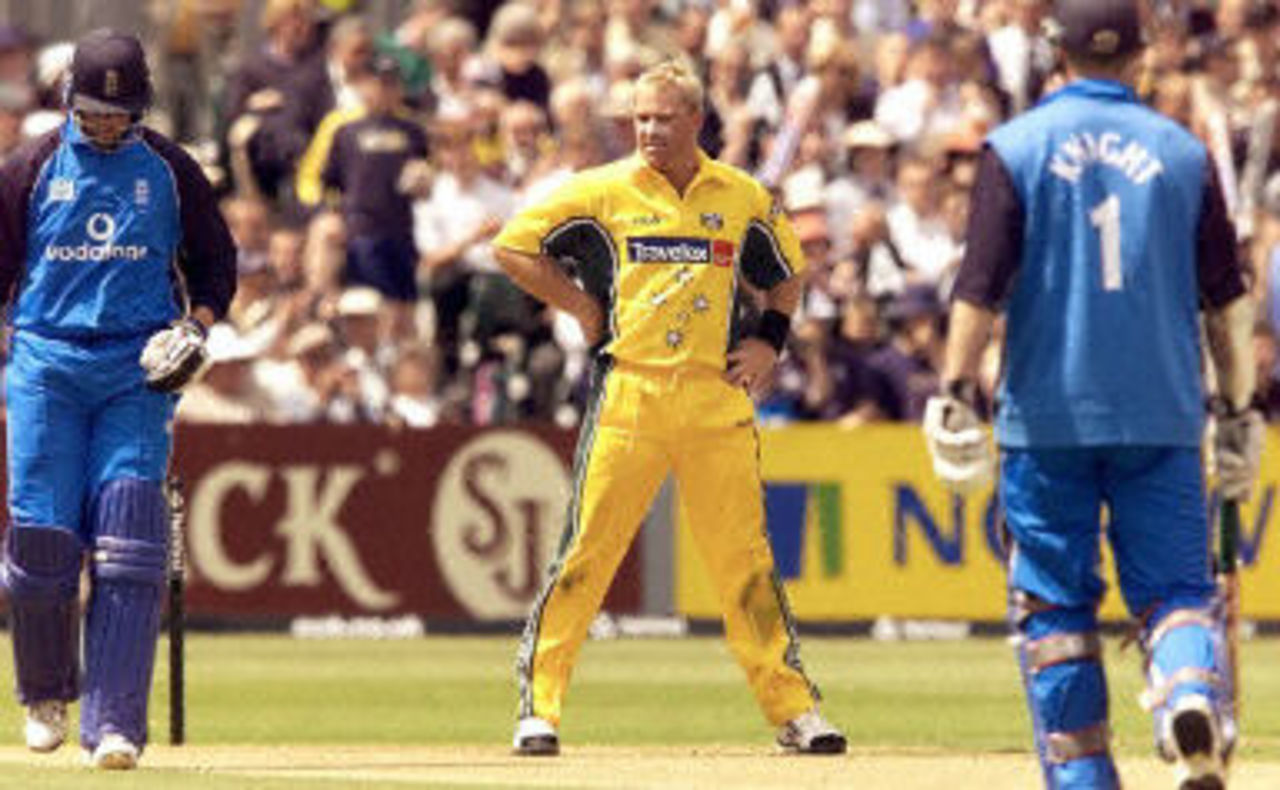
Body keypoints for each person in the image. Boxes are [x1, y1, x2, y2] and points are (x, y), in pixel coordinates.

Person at [922, 2, 1261, 789]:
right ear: (1142, 58)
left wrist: (953, 388)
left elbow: (979, 289)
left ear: (1055, 55)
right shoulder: (1181, 152)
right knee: (1178, 592)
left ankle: (1084, 780)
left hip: (1045, 416)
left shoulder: (1014, 147)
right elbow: (1227, 301)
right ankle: (1186, 692)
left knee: (1054, 610)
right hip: (1163, 410)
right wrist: (1239, 407)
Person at [492, 60, 846, 758]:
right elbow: (513, 246)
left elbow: (790, 273)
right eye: (640, 118)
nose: (649, 130)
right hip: (632, 390)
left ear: (696, 120)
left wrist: (770, 342)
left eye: (662, 117)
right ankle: (541, 708)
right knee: (587, 553)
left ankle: (793, 710)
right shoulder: (602, 190)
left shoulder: (739, 196)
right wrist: (583, 308)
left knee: (744, 562)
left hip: (716, 397)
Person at [0, 30, 236, 769]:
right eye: (95, 110)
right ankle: (45, 692)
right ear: (70, 98)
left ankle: (114, 724)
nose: (106, 124)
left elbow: (217, 263)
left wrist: (195, 329)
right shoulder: (31, 166)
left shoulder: (168, 168)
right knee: (41, 540)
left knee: (130, 542)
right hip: (46, 363)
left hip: (136, 367)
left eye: (120, 112)